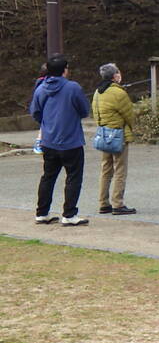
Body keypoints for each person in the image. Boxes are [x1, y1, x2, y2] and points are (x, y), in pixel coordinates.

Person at [30, 54, 90, 226]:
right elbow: (84, 110)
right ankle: (69, 214)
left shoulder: (41, 89)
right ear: (65, 70)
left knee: (48, 176)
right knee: (73, 177)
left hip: (48, 140)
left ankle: (42, 213)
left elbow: (35, 112)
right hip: (71, 140)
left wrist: (47, 123)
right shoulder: (73, 88)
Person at [92, 63, 136, 215]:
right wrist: (132, 129)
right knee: (120, 170)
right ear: (115, 76)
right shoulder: (119, 93)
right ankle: (118, 203)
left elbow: (95, 113)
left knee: (106, 169)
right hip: (118, 135)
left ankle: (103, 203)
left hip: (103, 133)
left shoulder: (98, 92)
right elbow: (129, 115)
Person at [31, 63, 48, 154]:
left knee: (43, 125)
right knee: (44, 126)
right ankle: (39, 142)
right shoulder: (44, 83)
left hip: (42, 108)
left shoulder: (39, 82)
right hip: (45, 108)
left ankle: (39, 142)